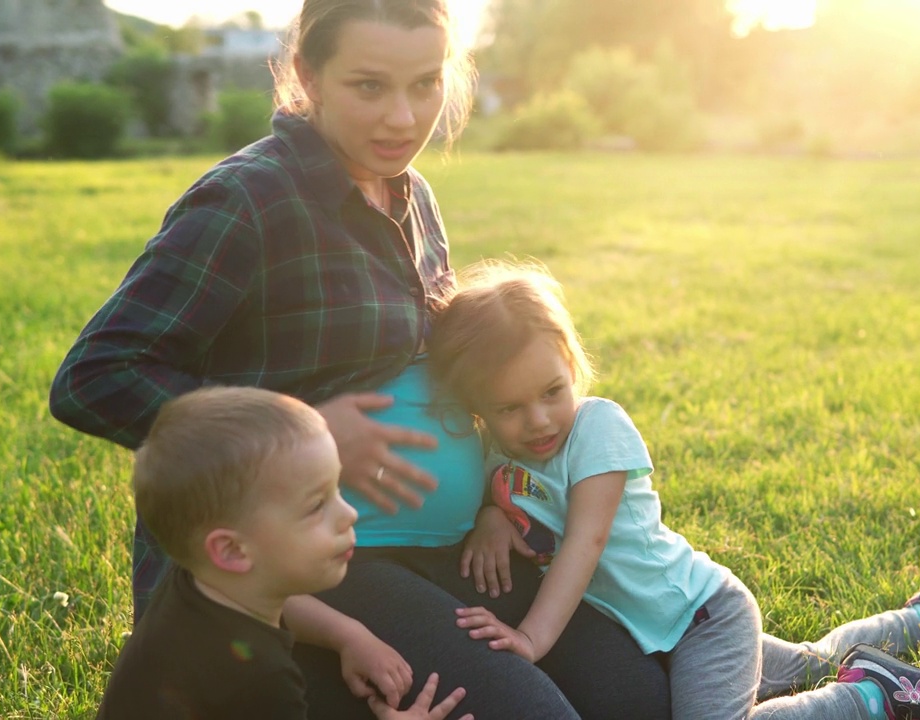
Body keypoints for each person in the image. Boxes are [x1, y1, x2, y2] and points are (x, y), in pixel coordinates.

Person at [48, 1, 671, 717]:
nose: (403, 119)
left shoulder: (412, 196)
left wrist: (497, 501)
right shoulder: (248, 200)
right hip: (312, 557)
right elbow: (95, 376)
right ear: (308, 75)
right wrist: (303, 431)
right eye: (369, 87)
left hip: (450, 543)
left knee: (638, 697)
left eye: (425, 84)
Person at [426, 263, 920, 720]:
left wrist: (531, 638)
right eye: (510, 408)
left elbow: (583, 543)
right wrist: (492, 520)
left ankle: (872, 696)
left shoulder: (597, 429)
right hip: (656, 635)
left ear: (572, 363)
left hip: (703, 619)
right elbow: (514, 498)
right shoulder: (500, 457)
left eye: (552, 391)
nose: (539, 420)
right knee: (811, 661)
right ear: (480, 411)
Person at [96, 386, 469, 720]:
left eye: (337, 490)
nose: (349, 514)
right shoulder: (261, 677)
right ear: (231, 550)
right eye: (315, 505)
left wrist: (348, 635)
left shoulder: (194, 581)